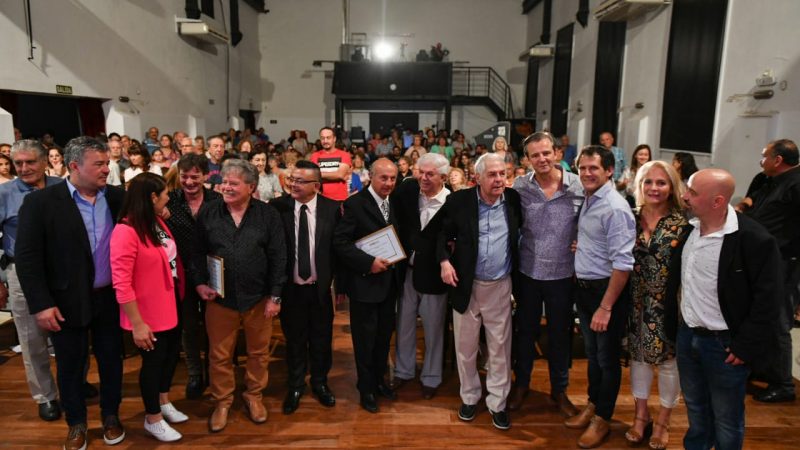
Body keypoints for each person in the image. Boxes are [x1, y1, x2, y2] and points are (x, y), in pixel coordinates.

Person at [16, 136, 126, 449]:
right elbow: (28, 258)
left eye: (107, 163)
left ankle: (111, 416)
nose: (106, 169)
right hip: (64, 301)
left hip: (109, 298)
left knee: (112, 361)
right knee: (70, 365)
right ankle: (76, 422)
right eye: (99, 164)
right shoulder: (40, 203)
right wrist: (41, 304)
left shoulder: (117, 197)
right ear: (75, 166)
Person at [672, 169, 783, 450]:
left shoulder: (754, 239)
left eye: (693, 192)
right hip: (688, 337)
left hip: (724, 346)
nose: (685, 196)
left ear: (717, 201)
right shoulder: (689, 230)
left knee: (726, 418)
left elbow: (769, 300)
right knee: (696, 409)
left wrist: (745, 346)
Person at [191, 159, 286, 433]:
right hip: (219, 298)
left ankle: (253, 395)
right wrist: (199, 283)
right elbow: (196, 252)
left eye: (233, 183)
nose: (226, 187)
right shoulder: (209, 212)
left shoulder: (268, 215)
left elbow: (279, 256)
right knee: (219, 355)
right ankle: (222, 401)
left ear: (251, 187)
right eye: (224, 182)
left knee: (258, 353)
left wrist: (275, 296)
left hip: (258, 299)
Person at [437, 153, 522, 430]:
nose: (499, 180)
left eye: (503, 174)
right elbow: (441, 233)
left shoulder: (513, 200)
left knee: (500, 348)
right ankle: (470, 397)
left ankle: (498, 402)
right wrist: (444, 261)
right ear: (477, 178)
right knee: (466, 347)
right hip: (466, 285)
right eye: (492, 175)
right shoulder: (459, 201)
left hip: (500, 285)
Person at [508, 132, 584, 417]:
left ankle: (559, 390)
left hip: (563, 274)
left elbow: (591, 221)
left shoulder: (577, 185)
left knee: (560, 335)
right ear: (527, 159)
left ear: (556, 153)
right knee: (525, 333)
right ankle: (521, 384)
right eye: (535, 155)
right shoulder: (520, 187)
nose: (541, 159)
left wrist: (584, 241)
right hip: (528, 272)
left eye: (546, 153)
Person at [566, 145, 635, 449]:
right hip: (585, 289)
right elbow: (600, 243)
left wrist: (606, 307)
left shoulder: (615, 207)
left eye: (593, 168)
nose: (586, 173)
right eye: (582, 168)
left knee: (607, 359)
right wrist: (582, 247)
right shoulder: (590, 199)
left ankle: (603, 418)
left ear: (609, 170)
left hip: (605, 292)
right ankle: (593, 405)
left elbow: (623, 264)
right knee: (593, 355)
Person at [110, 173, 187, 442]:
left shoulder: (155, 220)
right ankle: (152, 418)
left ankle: (163, 401)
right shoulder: (125, 231)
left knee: (169, 357)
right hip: (147, 311)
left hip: (170, 302)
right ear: (153, 197)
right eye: (165, 194)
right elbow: (121, 283)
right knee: (153, 364)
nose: (169, 198)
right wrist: (137, 323)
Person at [624, 161, 689, 449]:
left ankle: (663, 420)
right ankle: (641, 416)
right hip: (634, 302)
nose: (654, 188)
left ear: (672, 187)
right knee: (638, 359)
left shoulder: (684, 224)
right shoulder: (629, 218)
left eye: (661, 182)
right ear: (639, 185)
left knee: (668, 363)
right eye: (648, 182)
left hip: (669, 304)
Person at [270, 160, 342, 414]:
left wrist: (340, 285)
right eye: (292, 179)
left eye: (300, 181)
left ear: (316, 186)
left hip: (320, 288)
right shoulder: (277, 207)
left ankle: (320, 383)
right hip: (291, 289)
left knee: (322, 339)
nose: (293, 184)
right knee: (294, 340)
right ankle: (296, 385)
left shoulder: (332, 209)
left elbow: (339, 249)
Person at [333, 158, 404, 413]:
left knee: (384, 338)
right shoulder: (354, 203)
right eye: (383, 178)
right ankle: (366, 389)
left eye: (393, 178)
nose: (389, 183)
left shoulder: (395, 202)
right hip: (364, 284)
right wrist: (368, 263)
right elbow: (340, 243)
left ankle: (379, 381)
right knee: (365, 341)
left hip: (390, 284)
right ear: (370, 177)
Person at [0, 140, 62, 422]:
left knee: (70, 334)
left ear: (44, 162)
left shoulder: (62, 187)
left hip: (62, 272)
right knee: (31, 338)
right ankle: (45, 396)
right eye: (18, 163)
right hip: (22, 272)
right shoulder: (4, 194)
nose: (24, 168)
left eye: (30, 162)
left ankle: (75, 382)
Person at [742, 139, 800, 404]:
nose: (761, 160)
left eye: (764, 156)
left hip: (784, 261)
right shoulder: (769, 180)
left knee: (778, 321)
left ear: (778, 160)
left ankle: (783, 384)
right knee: (760, 314)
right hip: (764, 259)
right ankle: (763, 367)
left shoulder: (796, 184)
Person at [392, 153, 451, 399]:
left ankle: (431, 377)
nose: (423, 178)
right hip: (407, 271)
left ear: (444, 177)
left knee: (434, 329)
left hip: (435, 276)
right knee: (404, 325)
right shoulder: (408, 191)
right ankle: (403, 371)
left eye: (430, 174)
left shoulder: (453, 202)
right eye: (421, 172)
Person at [165, 154, 221, 399]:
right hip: (182, 275)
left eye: (195, 176)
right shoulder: (170, 201)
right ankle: (195, 374)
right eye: (184, 176)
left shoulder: (217, 201)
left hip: (213, 273)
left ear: (206, 176)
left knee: (215, 326)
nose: (189, 182)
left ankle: (214, 372)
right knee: (188, 327)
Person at [309, 127, 352, 202]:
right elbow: (313, 175)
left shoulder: (344, 155)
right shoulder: (315, 156)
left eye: (328, 138)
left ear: (334, 139)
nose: (325, 141)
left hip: (340, 198)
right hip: (321, 198)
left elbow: (340, 175)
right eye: (323, 138)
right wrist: (335, 175)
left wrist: (319, 174)